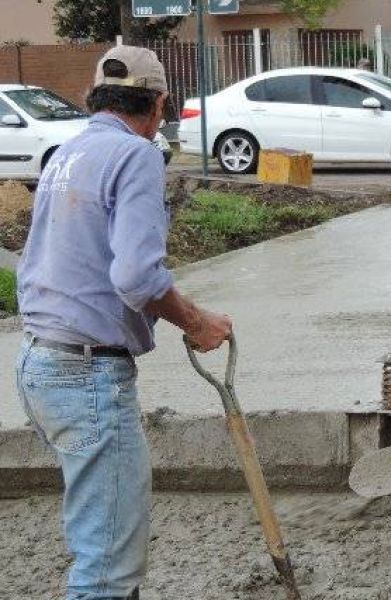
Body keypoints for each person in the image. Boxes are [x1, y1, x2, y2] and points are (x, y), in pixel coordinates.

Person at [15, 46, 232, 600]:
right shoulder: (135, 155)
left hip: (39, 361)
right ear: (158, 104)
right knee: (106, 569)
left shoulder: (67, 152)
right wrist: (196, 321)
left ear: (96, 96)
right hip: (86, 376)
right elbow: (137, 277)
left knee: (99, 537)